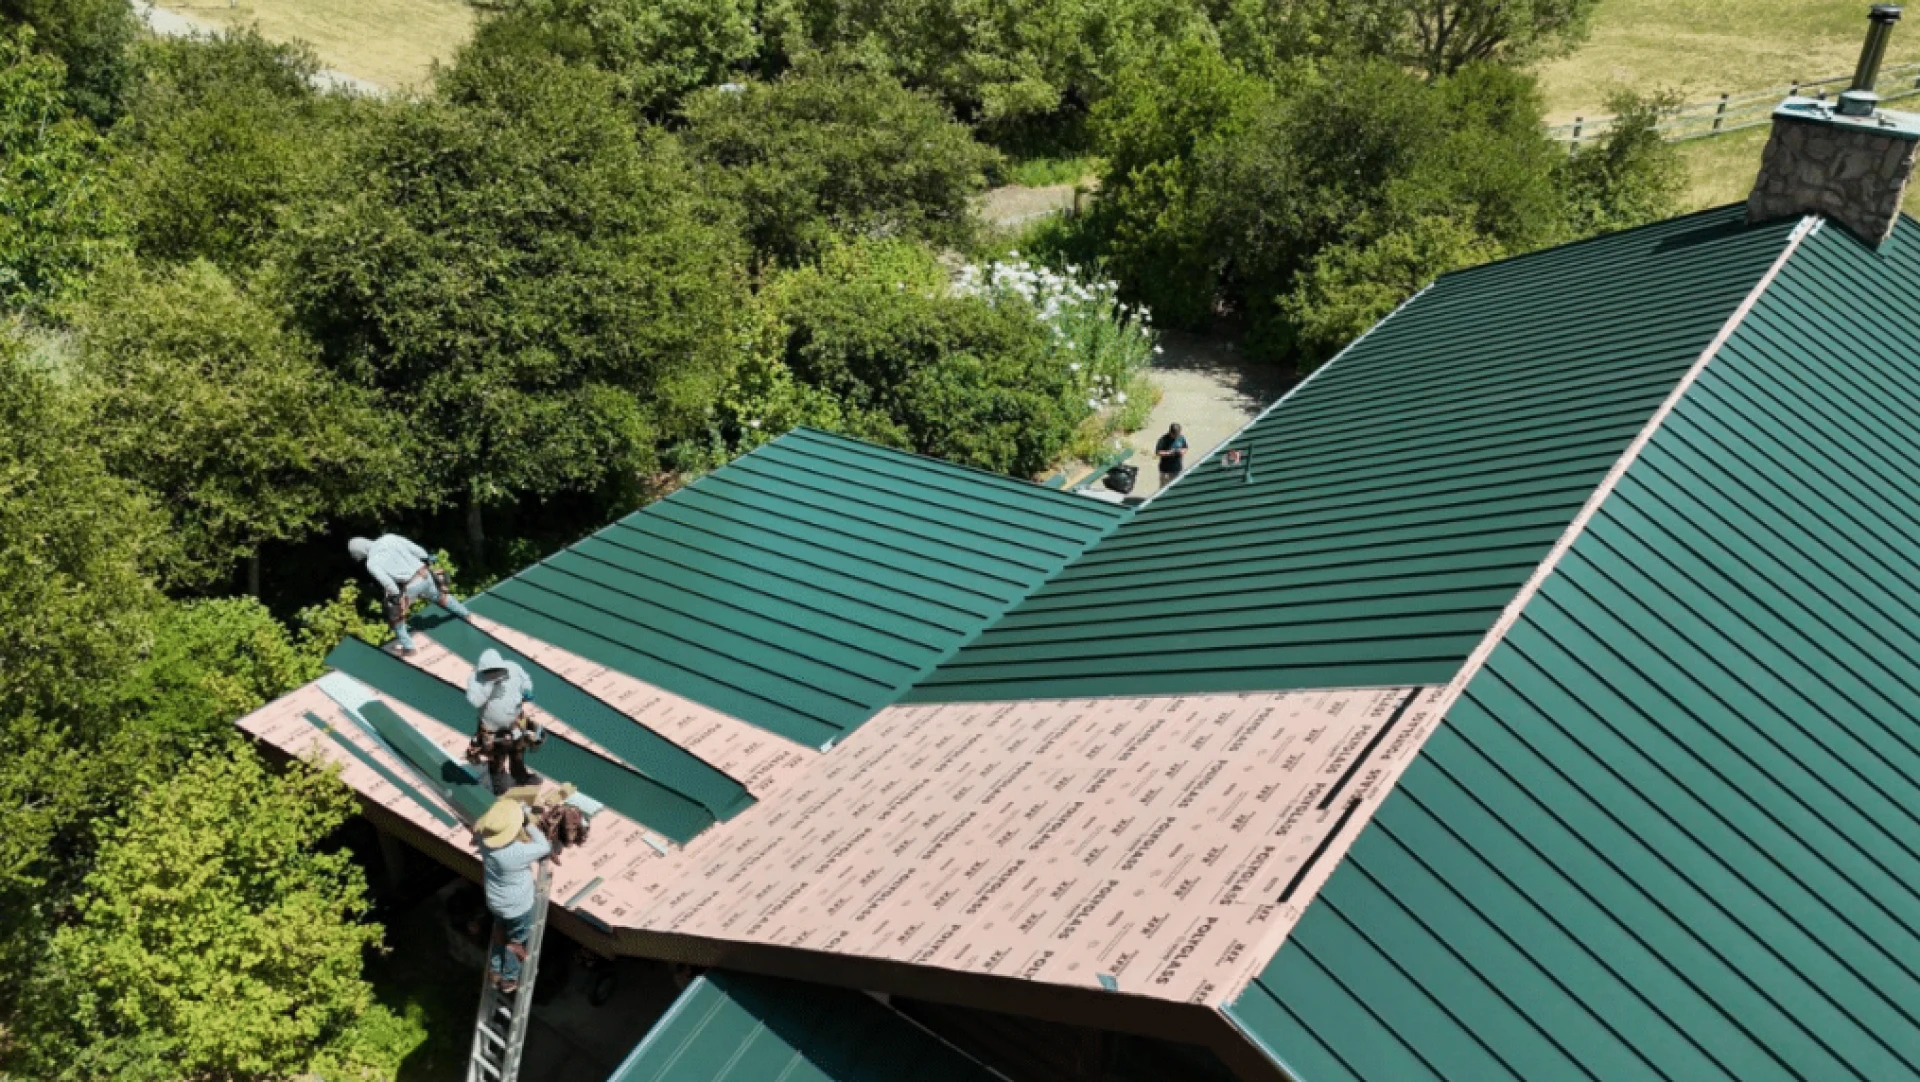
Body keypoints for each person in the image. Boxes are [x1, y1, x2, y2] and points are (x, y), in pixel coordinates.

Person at [475, 797, 551, 994]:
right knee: (515, 942)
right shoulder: (515, 852)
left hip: (496, 901)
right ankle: (509, 979)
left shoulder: (484, 842)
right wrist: (528, 822)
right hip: (519, 907)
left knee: (500, 932)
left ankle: (495, 971)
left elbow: (479, 828)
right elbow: (544, 846)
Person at [347, 534, 471, 655]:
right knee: (440, 596)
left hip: (410, 585)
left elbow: (388, 584)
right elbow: (415, 548)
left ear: (360, 552)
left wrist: (396, 600)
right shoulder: (389, 538)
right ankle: (465, 613)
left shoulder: (371, 563)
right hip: (425, 575)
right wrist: (426, 558)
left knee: (395, 617)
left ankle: (409, 648)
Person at [466, 648, 541, 790]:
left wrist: (527, 689)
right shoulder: (475, 680)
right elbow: (475, 702)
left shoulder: (513, 667)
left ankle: (520, 776)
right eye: (490, 672)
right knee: (496, 756)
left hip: (515, 722)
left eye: (496, 671)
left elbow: (525, 679)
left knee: (518, 750)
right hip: (492, 729)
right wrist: (489, 686)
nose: (495, 674)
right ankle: (500, 785)